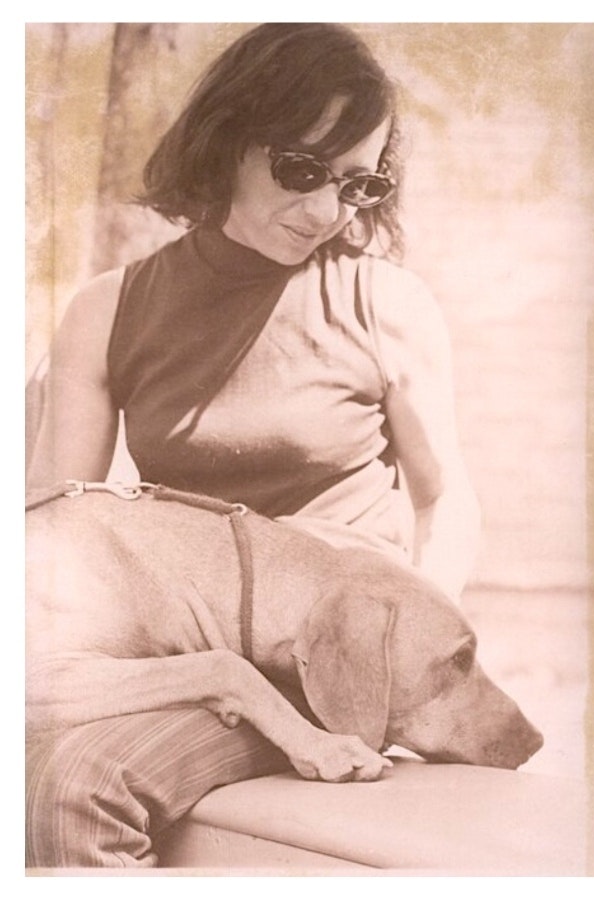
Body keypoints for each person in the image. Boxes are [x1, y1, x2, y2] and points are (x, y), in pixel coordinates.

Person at [25, 23, 480, 867]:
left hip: (333, 677)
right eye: (301, 170)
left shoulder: (383, 302)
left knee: (73, 786)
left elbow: (444, 498)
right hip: (186, 663)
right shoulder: (108, 310)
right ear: (227, 139)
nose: (324, 212)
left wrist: (406, 652)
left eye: (357, 185)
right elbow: (61, 538)